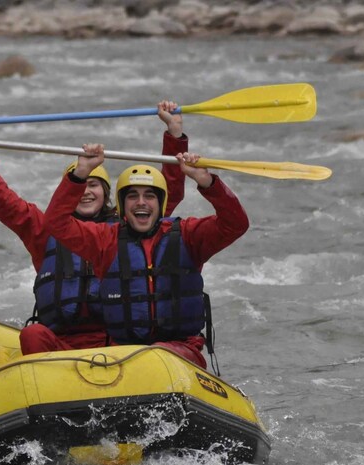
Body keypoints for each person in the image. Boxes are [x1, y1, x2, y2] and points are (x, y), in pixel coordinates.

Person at [0, 102, 189, 355]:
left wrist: (174, 134)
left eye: (94, 185)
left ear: (106, 193)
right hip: (60, 343)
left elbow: (165, 195)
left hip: (118, 342)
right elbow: (1, 199)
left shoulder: (128, 228)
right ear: (69, 189)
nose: (86, 192)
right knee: (32, 334)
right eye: (82, 184)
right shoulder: (44, 230)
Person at [42, 144, 249, 369]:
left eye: (149, 196)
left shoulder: (188, 235)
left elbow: (236, 224)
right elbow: (56, 222)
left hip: (180, 350)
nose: (141, 202)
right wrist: (80, 174)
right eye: (133, 196)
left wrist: (208, 183)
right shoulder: (104, 240)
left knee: (157, 355)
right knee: (145, 358)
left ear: (160, 204)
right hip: (123, 354)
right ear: (122, 205)